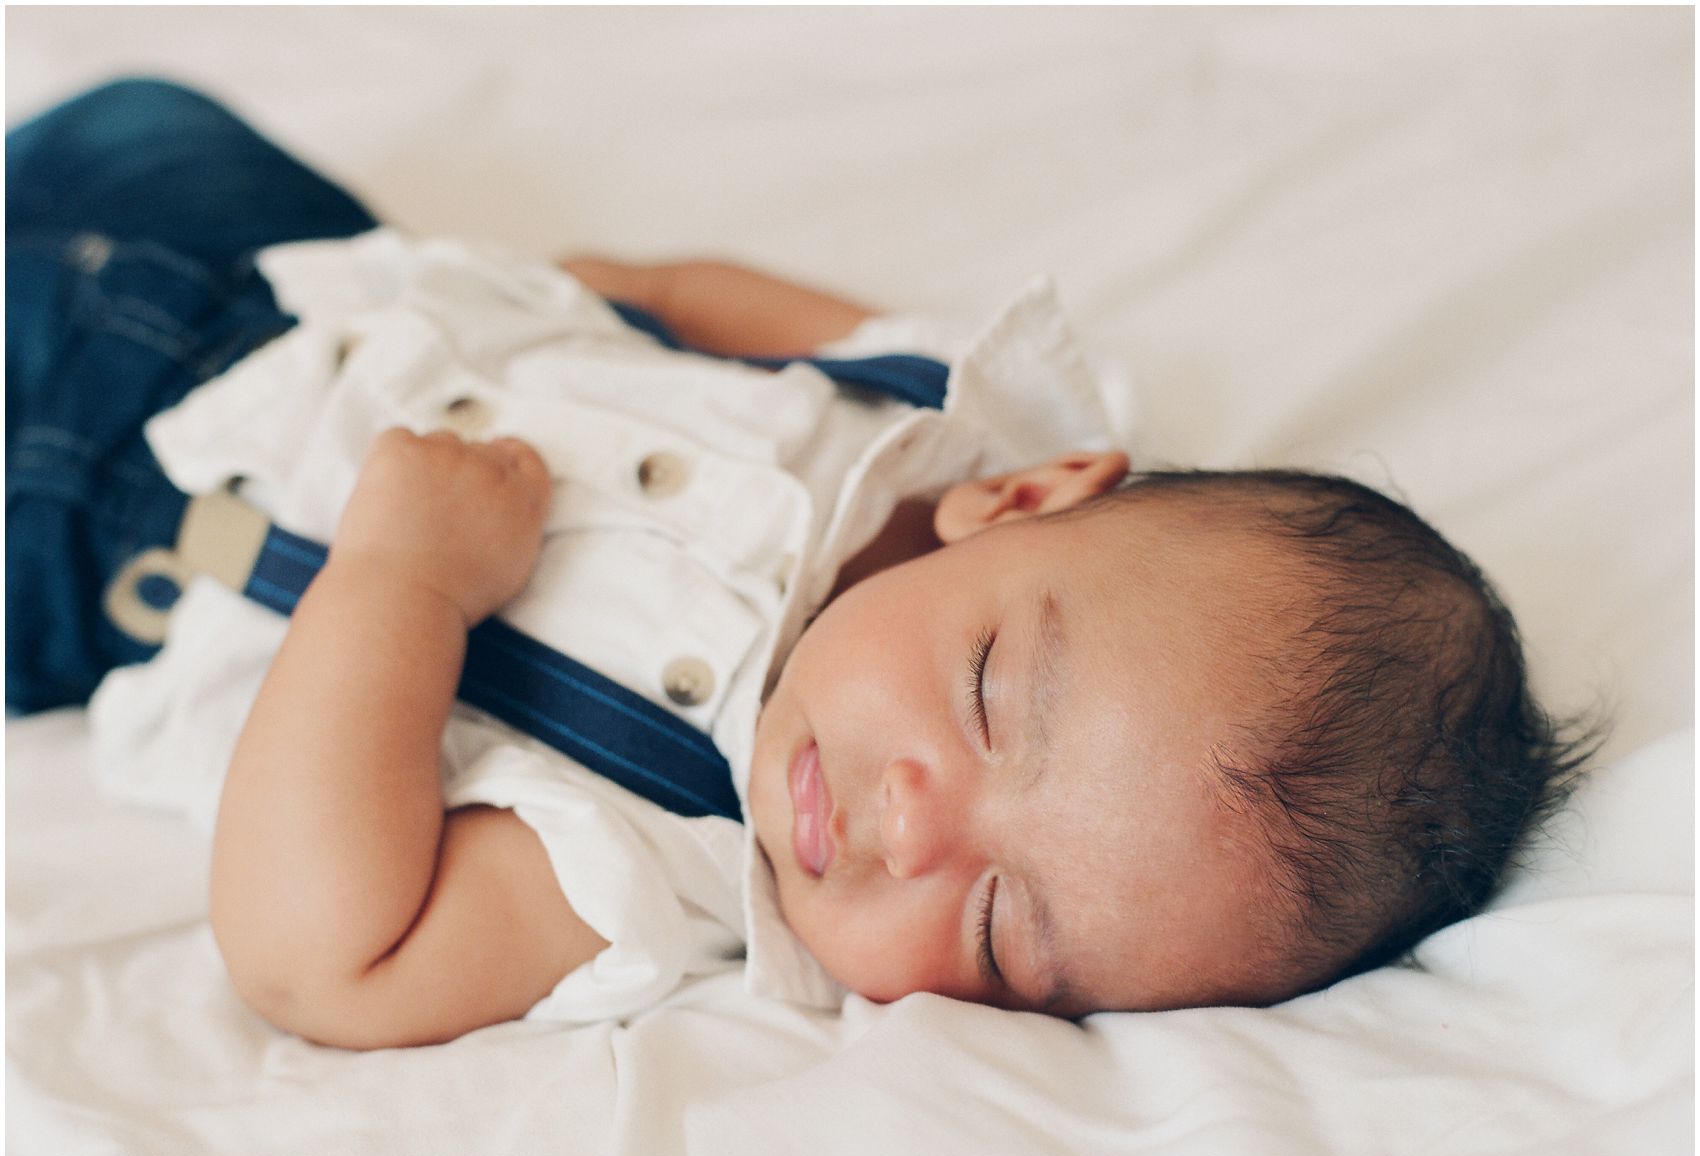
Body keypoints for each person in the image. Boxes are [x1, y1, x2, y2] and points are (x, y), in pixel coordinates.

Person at [7, 79, 1593, 1051]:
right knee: (140, 116)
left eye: (997, 928)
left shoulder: (660, 857)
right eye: (991, 691)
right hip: (260, 259)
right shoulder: (931, 424)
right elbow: (691, 299)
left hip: (86, 518)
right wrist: (573, 295)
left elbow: (321, 958)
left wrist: (401, 588)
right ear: (1025, 499)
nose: (912, 820)